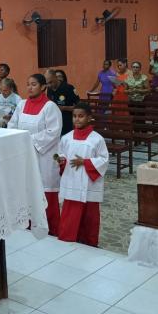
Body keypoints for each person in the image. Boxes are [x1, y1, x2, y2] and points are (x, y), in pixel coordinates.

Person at [8, 74, 62, 235]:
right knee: (26, 188)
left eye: (33, 84)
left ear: (43, 87)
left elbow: (53, 132)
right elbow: (12, 125)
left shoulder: (50, 107)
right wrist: (18, 140)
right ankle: (27, 224)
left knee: (45, 190)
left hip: (43, 156)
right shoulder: (22, 104)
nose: (30, 88)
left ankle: (50, 229)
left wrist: (26, 139)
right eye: (28, 84)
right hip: (24, 154)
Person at [57, 103, 109, 246]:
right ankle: (67, 239)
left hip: (89, 183)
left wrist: (85, 162)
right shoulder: (66, 138)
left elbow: (104, 159)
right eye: (74, 116)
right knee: (70, 215)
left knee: (89, 216)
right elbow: (59, 154)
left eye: (81, 116)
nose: (77, 119)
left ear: (89, 118)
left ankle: (89, 242)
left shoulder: (97, 139)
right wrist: (60, 160)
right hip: (72, 181)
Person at [46, 69, 80, 135]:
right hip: (54, 124)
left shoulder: (69, 88)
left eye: (51, 82)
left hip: (67, 124)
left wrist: (63, 108)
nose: (49, 85)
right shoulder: (49, 89)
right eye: (47, 83)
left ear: (56, 77)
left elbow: (79, 107)